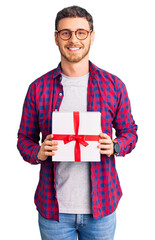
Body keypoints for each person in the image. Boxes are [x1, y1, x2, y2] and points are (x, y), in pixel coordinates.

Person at [17, 5, 138, 240]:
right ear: (56, 38)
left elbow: (130, 132)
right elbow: (24, 139)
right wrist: (39, 152)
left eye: (81, 32)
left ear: (91, 36)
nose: (74, 39)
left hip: (102, 208)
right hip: (54, 212)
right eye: (66, 33)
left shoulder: (114, 86)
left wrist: (115, 146)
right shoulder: (38, 88)